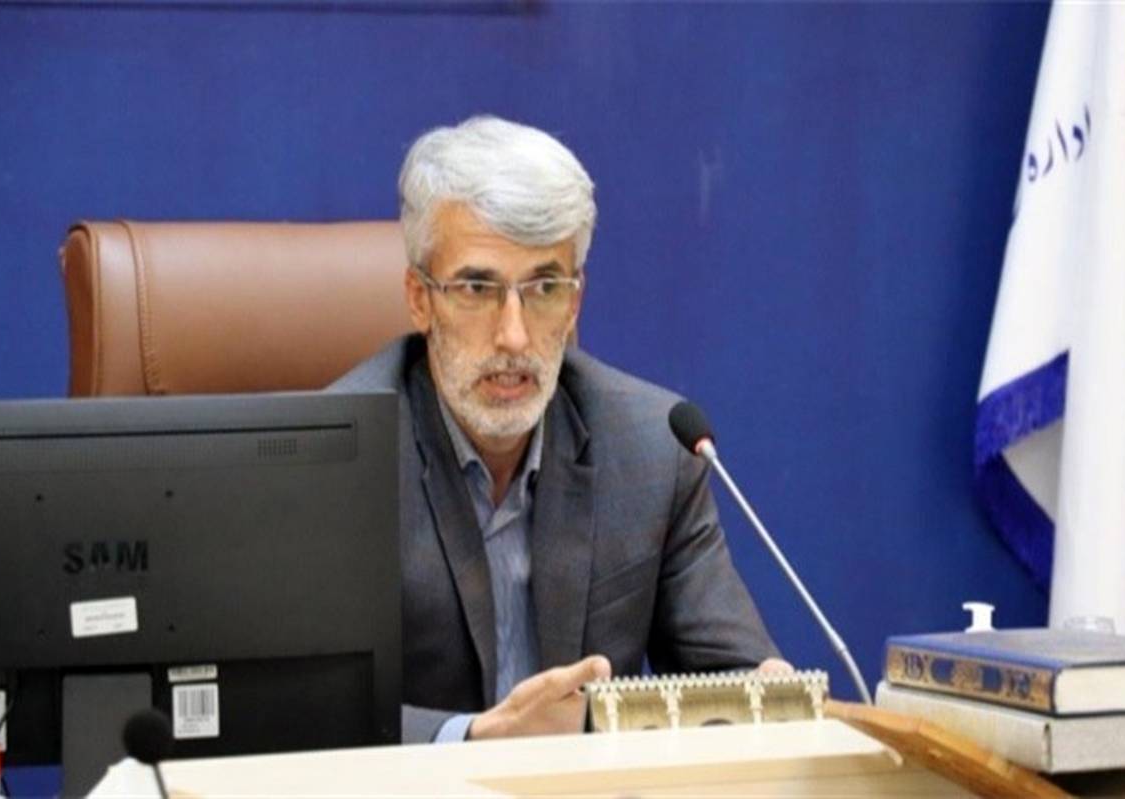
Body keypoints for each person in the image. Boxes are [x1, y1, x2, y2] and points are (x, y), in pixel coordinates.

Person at [330, 115, 788, 744]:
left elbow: (734, 680)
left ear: (574, 302)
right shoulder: (337, 459)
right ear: (419, 298)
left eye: (544, 287)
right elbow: (297, 712)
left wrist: (761, 699)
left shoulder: (653, 450)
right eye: (477, 287)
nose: (514, 336)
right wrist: (469, 738)